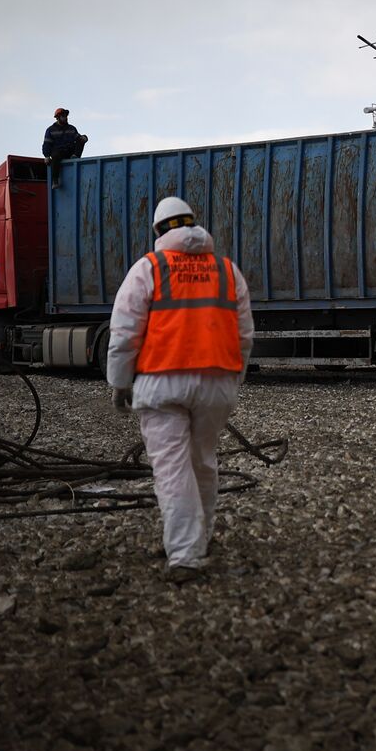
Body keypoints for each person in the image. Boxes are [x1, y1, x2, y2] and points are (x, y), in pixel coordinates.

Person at [106, 197, 254, 584]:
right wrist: (231, 380)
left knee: (172, 470)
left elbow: (124, 333)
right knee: (202, 461)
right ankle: (196, 539)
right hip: (216, 383)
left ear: (159, 232)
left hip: (162, 383)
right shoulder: (227, 271)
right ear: (193, 224)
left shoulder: (149, 269)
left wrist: (120, 382)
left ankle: (186, 555)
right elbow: (244, 336)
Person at [41, 108, 88, 188]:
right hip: (58, 152)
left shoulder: (71, 128)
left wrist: (85, 138)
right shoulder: (50, 130)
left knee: (81, 139)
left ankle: (75, 157)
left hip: (70, 151)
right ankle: (55, 180)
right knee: (55, 155)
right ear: (58, 118)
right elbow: (47, 144)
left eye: (66, 116)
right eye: (63, 116)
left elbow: (78, 138)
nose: (65, 118)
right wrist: (47, 156)